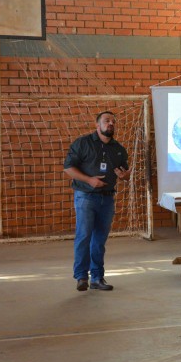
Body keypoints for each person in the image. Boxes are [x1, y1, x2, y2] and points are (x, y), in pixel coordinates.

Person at [63, 111, 132, 292]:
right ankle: (80, 277)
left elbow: (126, 173)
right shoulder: (83, 143)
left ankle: (97, 277)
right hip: (85, 196)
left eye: (113, 121)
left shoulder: (118, 148)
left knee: (99, 240)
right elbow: (68, 168)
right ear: (97, 125)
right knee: (84, 236)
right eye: (106, 121)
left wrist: (125, 176)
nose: (110, 124)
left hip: (107, 199)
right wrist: (89, 180)